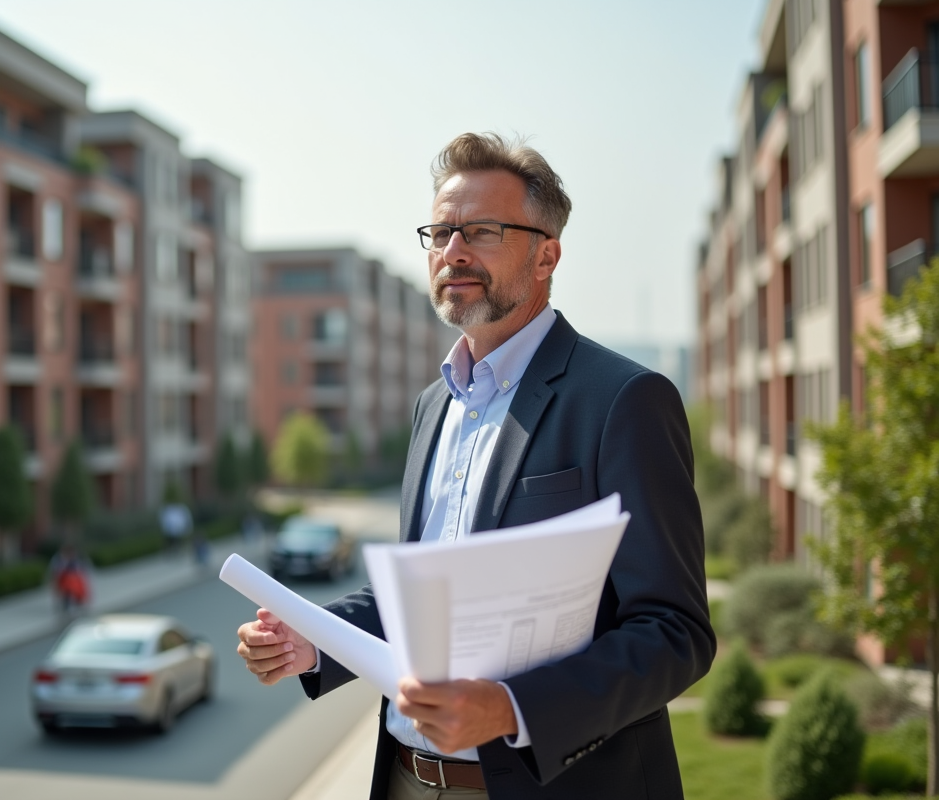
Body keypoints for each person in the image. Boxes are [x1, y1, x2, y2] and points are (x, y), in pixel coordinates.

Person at [236, 133, 715, 800]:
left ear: (546, 254)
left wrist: (512, 708)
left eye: (481, 231)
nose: (452, 250)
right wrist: (313, 640)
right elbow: (421, 595)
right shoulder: (434, 405)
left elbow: (676, 632)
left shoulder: (625, 401)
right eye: (440, 232)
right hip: (406, 778)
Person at [48, 544, 92, 616]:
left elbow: (81, 570)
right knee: (68, 587)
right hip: (64, 581)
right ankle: (67, 605)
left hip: (73, 581)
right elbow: (55, 573)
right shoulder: (58, 559)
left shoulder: (75, 559)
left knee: (76, 585)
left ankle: (78, 602)